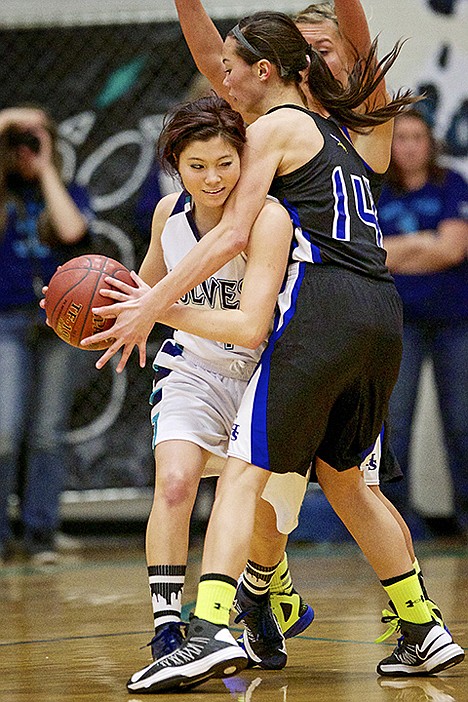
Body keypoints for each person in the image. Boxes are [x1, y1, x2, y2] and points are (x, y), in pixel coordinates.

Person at [83, 12, 464, 690]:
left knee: (242, 469)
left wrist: (151, 301)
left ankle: (207, 631)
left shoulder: (275, 128)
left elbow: (233, 233)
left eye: (233, 65)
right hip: (381, 315)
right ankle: (421, 627)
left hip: (321, 308)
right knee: (349, 482)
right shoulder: (339, 139)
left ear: (265, 71)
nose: (221, 76)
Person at [171, 0, 447, 640]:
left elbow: (356, 39)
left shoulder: (358, 123)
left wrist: (153, 305)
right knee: (292, 486)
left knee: (296, 480)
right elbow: (218, 60)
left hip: (325, 309)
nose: (314, 58)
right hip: (334, 314)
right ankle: (283, 603)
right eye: (304, 48)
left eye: (325, 47)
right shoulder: (267, 112)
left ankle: (249, 611)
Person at [118, 93, 313, 669]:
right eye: (196, 166)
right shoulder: (167, 217)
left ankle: (258, 594)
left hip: (268, 374)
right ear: (175, 165)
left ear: (245, 160)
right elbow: (142, 285)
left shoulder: (268, 219)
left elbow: (252, 327)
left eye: (226, 163)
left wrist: (154, 309)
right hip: (194, 369)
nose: (212, 178)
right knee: (175, 484)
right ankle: (167, 633)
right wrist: (99, 307)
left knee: (265, 526)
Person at [0, 105, 94, 565]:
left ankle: (41, 535)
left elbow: (73, 230)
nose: (26, 149)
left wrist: (46, 170)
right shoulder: (3, 196)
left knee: (47, 433)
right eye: (19, 141)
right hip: (6, 319)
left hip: (57, 322)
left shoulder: (68, 189)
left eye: (36, 139)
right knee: (3, 431)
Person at [378, 109, 468, 535]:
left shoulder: (452, 184)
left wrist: (400, 251)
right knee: (394, 422)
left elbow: (453, 249)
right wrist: (422, 242)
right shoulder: (377, 191)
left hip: (456, 323)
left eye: (418, 137)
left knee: (462, 421)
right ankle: (397, 526)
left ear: (430, 142)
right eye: (401, 137)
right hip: (399, 324)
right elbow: (372, 255)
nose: (410, 145)